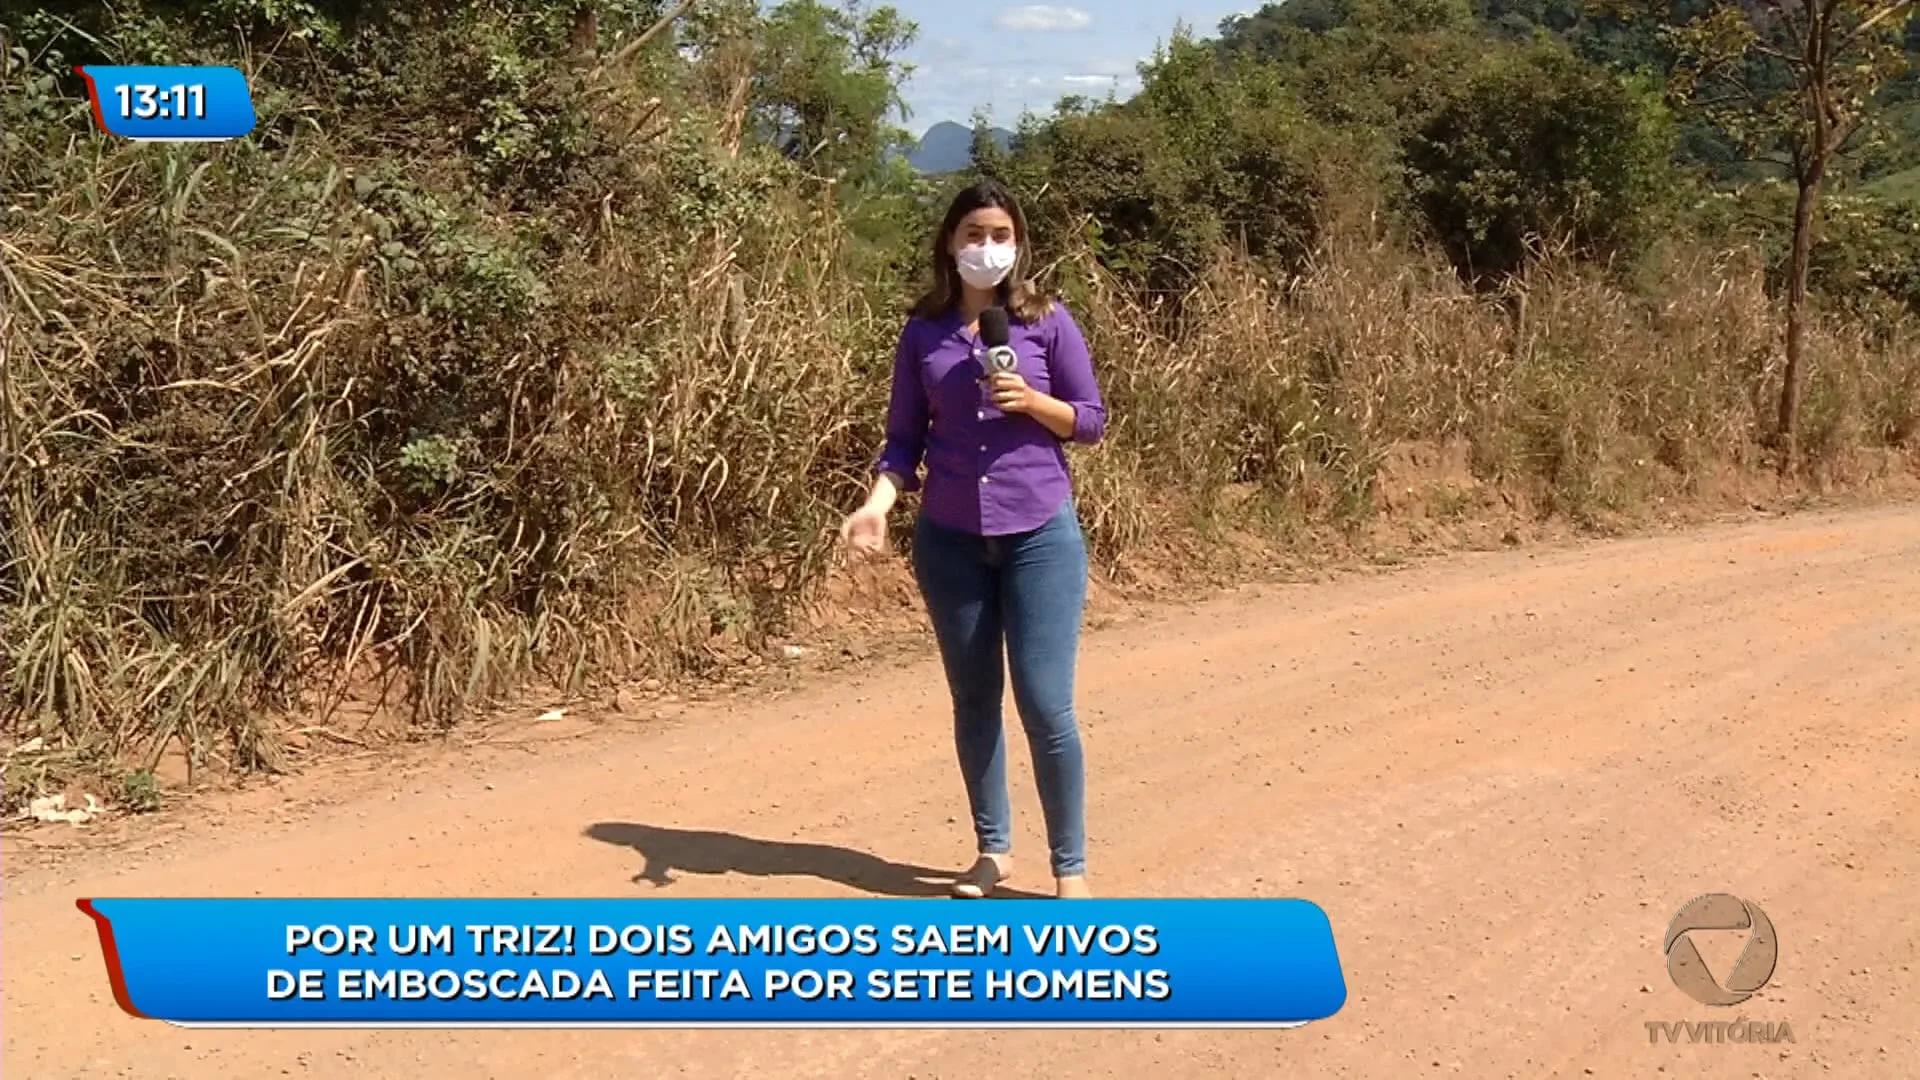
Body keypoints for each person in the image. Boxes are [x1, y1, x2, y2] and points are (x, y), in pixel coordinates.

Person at [838, 179, 1107, 900]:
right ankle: (993, 851)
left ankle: (1069, 867)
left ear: (1017, 244)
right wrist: (878, 505)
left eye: (1000, 234)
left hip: (1039, 534)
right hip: (951, 539)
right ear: (949, 244)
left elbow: (1090, 419)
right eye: (973, 234)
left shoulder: (1046, 321)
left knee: (1046, 702)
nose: (986, 247)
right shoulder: (923, 332)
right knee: (974, 697)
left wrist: (1034, 402)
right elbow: (903, 439)